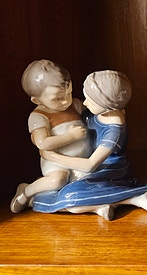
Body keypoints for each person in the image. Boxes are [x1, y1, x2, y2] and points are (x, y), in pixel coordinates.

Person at [31, 70, 147, 220]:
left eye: (90, 100)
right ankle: (103, 206)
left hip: (108, 169)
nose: (84, 103)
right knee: (69, 196)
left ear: (107, 104)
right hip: (89, 167)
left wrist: (52, 156)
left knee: (71, 200)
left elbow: (90, 165)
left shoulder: (114, 130)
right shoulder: (98, 112)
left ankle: (135, 198)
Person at [11, 60, 91, 213]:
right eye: (57, 98)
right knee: (57, 180)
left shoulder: (75, 105)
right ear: (37, 100)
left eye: (69, 93)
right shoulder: (39, 116)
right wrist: (70, 136)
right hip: (56, 162)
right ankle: (26, 191)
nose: (66, 101)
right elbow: (43, 143)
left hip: (82, 159)